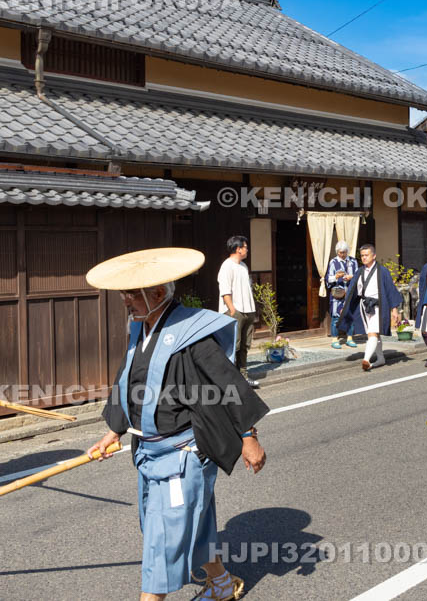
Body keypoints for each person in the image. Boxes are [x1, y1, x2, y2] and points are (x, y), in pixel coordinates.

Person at [86, 247, 268, 601]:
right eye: (125, 294)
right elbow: (128, 382)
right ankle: (221, 584)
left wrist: (249, 437)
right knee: (189, 528)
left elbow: (227, 383)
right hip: (148, 452)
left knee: (162, 542)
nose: (125, 301)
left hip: (183, 455)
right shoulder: (140, 329)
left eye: (132, 295)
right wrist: (112, 433)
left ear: (157, 294)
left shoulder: (191, 331)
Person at [337, 244, 401, 371]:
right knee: (373, 334)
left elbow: (390, 290)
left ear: (374, 256)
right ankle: (380, 358)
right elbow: (352, 289)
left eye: (367, 255)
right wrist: (345, 305)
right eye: (362, 256)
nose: (364, 258)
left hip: (378, 306)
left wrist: (394, 309)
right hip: (364, 305)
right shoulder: (359, 271)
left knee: (373, 333)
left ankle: (366, 360)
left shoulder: (382, 271)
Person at [217, 236, 259, 389]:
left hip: (248, 310)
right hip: (235, 310)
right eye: (245, 247)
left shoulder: (243, 266)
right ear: (238, 249)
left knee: (245, 345)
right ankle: (228, 380)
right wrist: (232, 310)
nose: (247, 249)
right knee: (233, 345)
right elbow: (225, 291)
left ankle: (243, 377)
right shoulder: (226, 266)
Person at [325, 241, 358, 350]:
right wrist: (336, 276)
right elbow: (328, 278)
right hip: (337, 293)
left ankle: (349, 338)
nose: (342, 255)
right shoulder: (333, 262)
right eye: (339, 252)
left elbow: (358, 275)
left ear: (347, 252)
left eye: (344, 252)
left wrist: (351, 277)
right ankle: (335, 339)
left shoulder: (353, 261)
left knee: (350, 315)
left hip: (350, 292)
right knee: (335, 316)